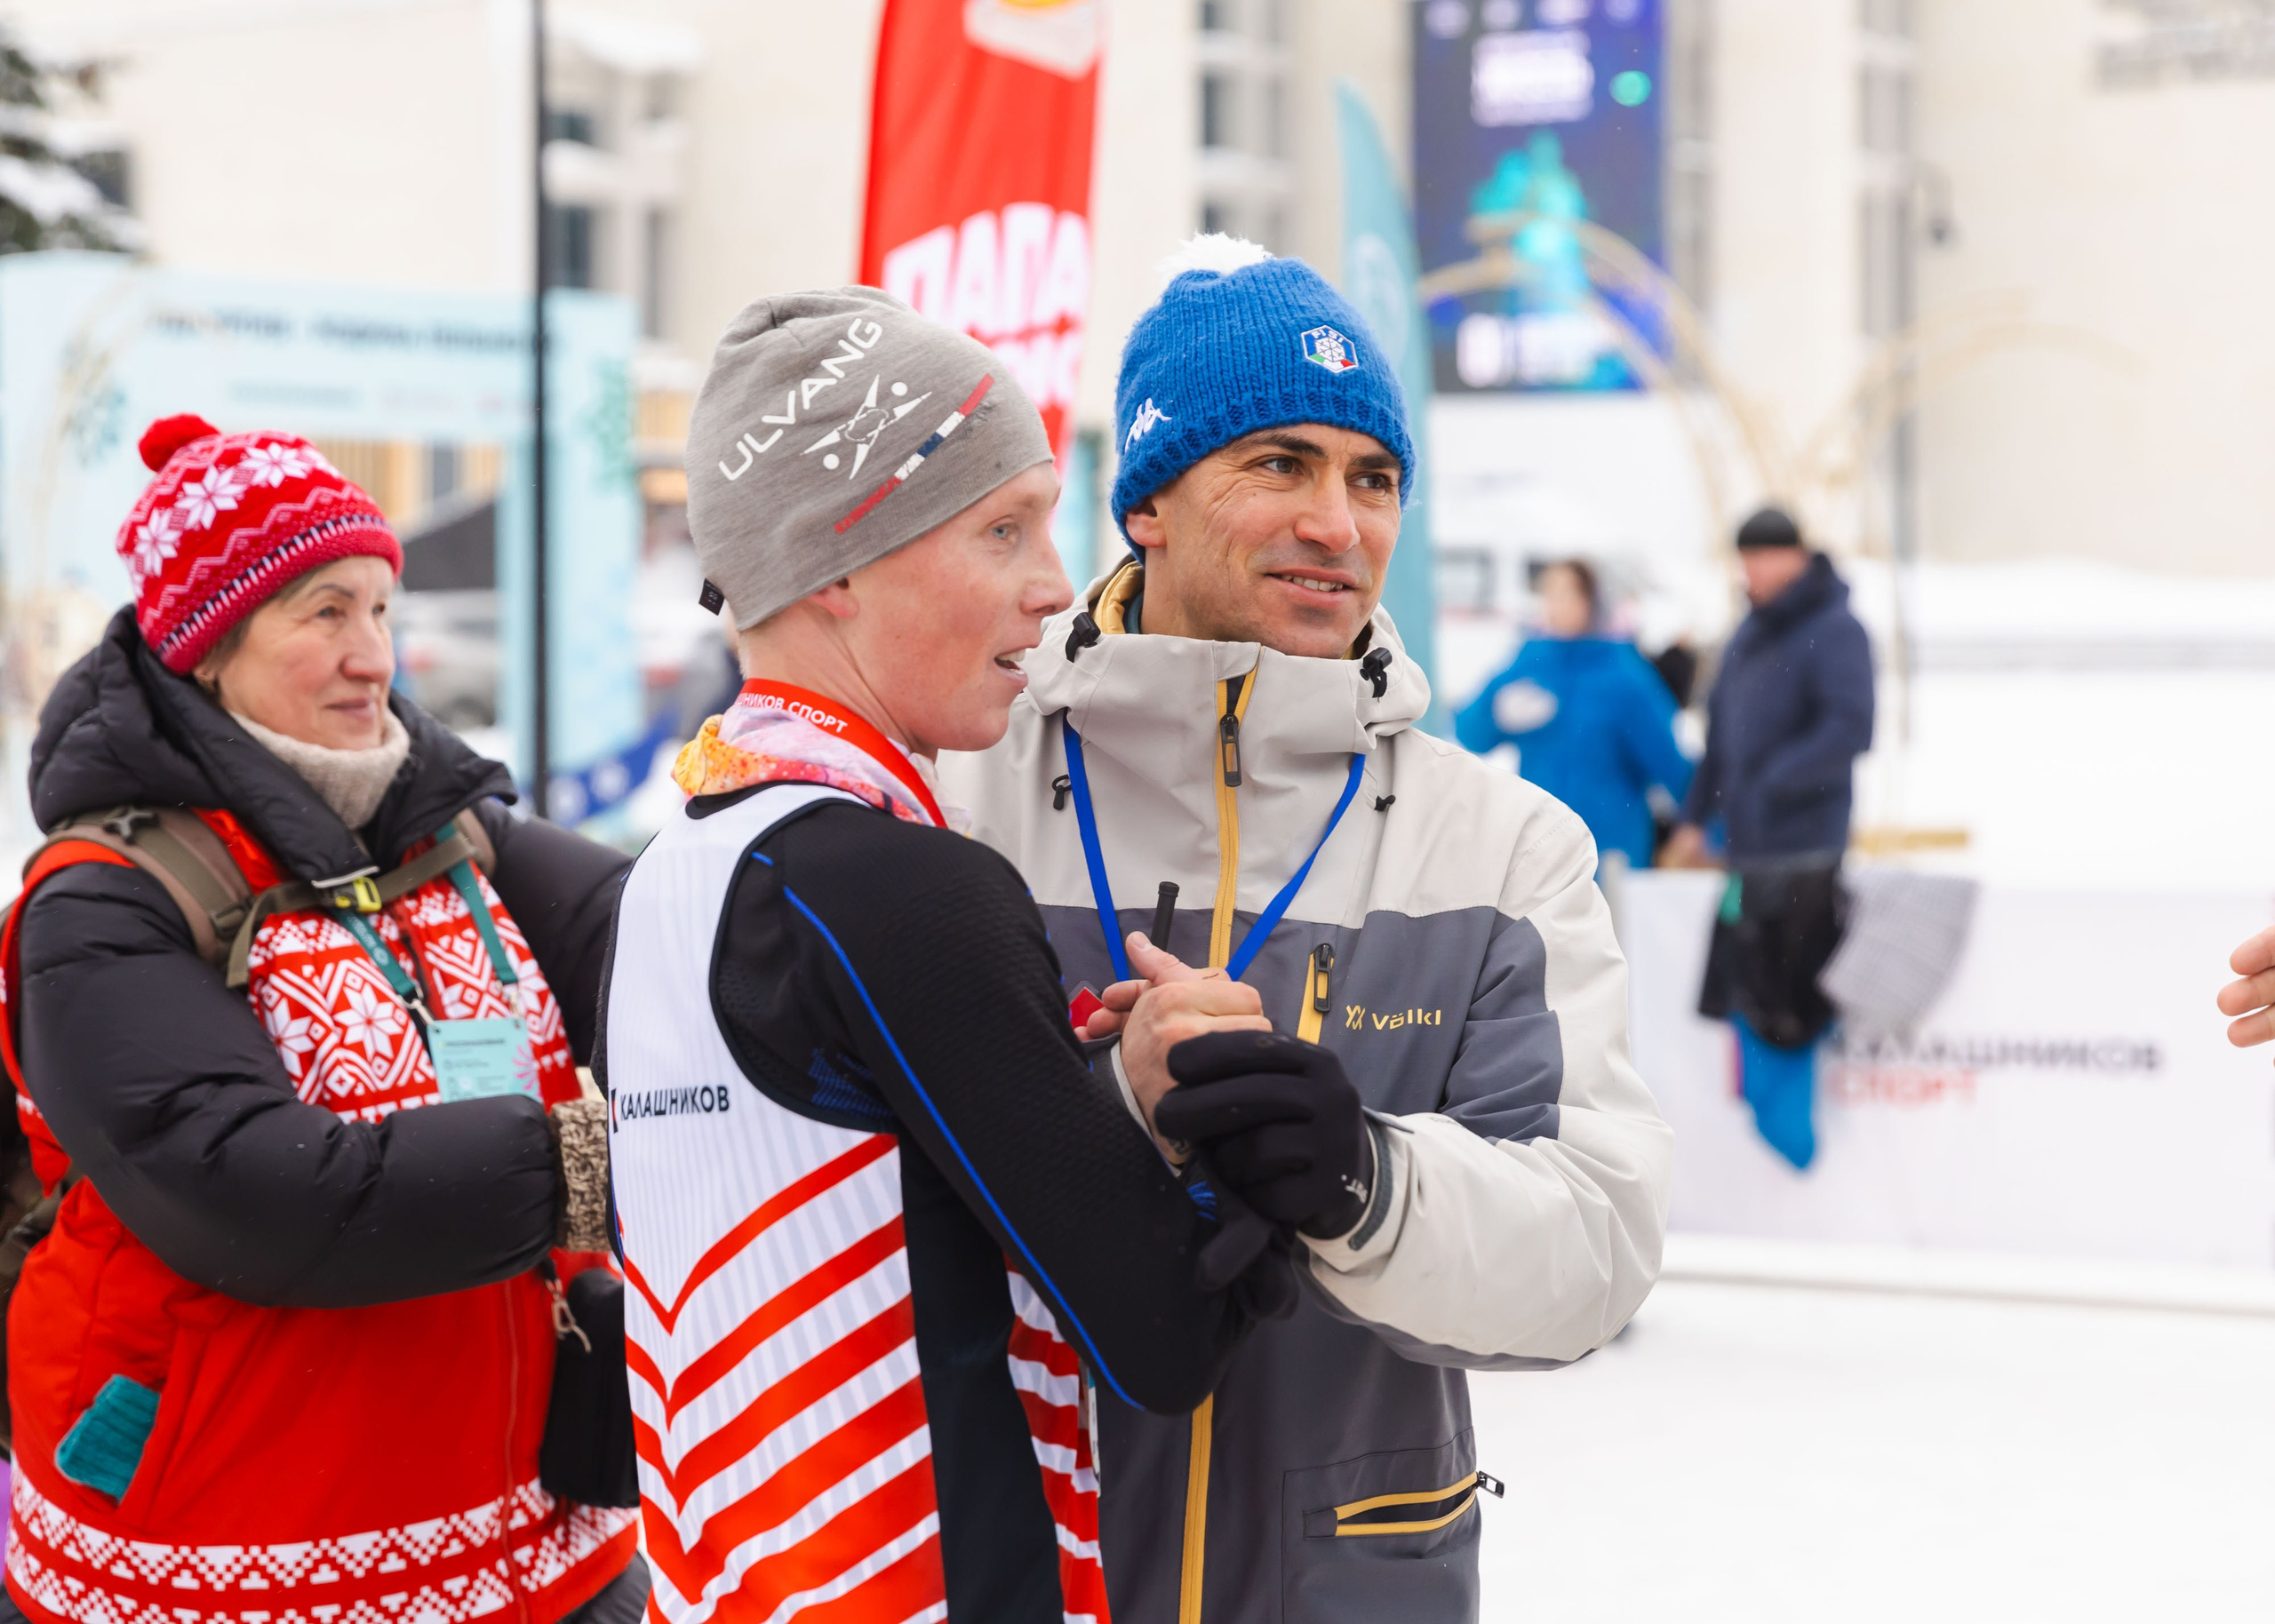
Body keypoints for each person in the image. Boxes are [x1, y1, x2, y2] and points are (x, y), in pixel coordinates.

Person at [938, 238, 1673, 1624]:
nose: (1339, 523)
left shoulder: (1504, 846)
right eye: (1279, 464)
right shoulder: (957, 790)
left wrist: (1367, 1183)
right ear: (1147, 501)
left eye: (1373, 477)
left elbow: (1598, 1250)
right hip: (1018, 1572)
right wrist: (1098, 1116)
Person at [607, 289, 1305, 1624]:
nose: (1054, 583)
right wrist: (1231, 1118)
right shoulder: (905, 887)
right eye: (1002, 529)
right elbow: (1158, 1336)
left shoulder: (676, 867)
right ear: (836, 569)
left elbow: (865, 1202)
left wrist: (1093, 1101)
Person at [3, 418, 643, 1624]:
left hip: (544, 1542)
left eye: (382, 610)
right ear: (208, 647)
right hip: (229, 1557)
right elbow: (251, 1190)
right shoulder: (103, 899)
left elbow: (674, 946)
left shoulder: (450, 830)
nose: (373, 657)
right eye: (325, 613)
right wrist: (584, 1167)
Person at [1665, 506, 1876, 1170]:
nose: (1752, 569)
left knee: (1788, 1002)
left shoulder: (1836, 628)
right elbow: (1720, 743)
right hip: (1748, 853)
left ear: (1796, 557)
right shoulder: (1748, 635)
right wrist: (1695, 816)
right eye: (1745, 556)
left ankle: (1799, 1143)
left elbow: (1851, 727)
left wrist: (1768, 784)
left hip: (1806, 850)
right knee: (1746, 991)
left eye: (1764, 555)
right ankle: (1772, 1135)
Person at [1454, 558, 1695, 872]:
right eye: (1549, 594)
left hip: (1608, 849)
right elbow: (1469, 733)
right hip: (1541, 848)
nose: (1555, 606)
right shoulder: (1530, 661)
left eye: (1566, 594)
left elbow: (1669, 762)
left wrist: (1708, 829)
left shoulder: (1623, 675)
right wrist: (1496, 714)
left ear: (1591, 601)